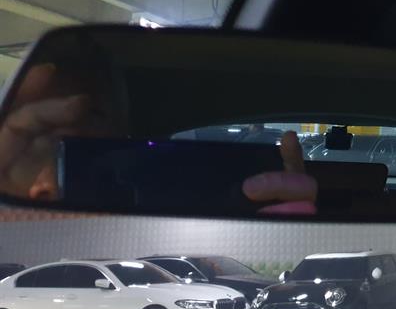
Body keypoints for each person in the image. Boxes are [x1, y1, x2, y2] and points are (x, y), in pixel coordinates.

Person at [0, 63, 318, 214]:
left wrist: (278, 226)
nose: (42, 184)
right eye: (28, 140)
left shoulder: (194, 206)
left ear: (123, 139)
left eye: (86, 119)